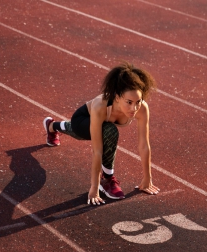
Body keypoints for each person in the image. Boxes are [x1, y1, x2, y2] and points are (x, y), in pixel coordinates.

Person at [43, 62, 160, 205]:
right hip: (82, 120)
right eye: (129, 102)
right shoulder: (101, 105)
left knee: (104, 129)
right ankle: (107, 179)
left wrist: (147, 179)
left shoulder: (142, 108)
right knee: (109, 131)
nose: (134, 108)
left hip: (99, 123)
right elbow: (97, 150)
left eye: (138, 102)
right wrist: (94, 187)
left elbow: (144, 145)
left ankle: (52, 126)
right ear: (117, 97)